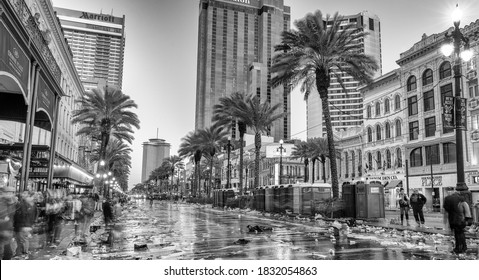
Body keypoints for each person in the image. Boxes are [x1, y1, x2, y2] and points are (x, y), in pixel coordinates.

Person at [13, 192, 37, 257]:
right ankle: (23, 252)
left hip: (23, 226)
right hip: (25, 225)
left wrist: (26, 225)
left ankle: (21, 253)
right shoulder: (31, 205)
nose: (23, 195)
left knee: (21, 240)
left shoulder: (25, 205)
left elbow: (22, 215)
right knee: (23, 240)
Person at [0, 187, 17, 260]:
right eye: (7, 193)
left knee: (7, 251)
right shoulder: (2, 202)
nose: (9, 194)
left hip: (8, 229)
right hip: (3, 228)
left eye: (11, 193)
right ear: (3, 193)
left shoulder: (14, 202)